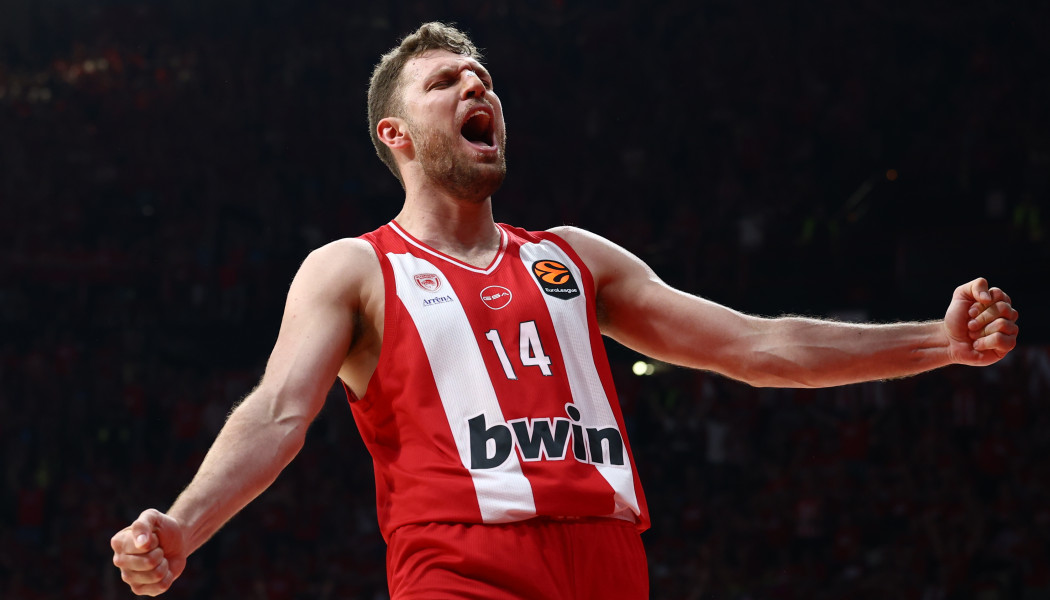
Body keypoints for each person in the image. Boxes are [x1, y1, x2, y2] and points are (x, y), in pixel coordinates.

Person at [110, 22, 1020, 599]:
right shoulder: (353, 268)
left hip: (609, 560)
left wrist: (937, 342)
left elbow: (756, 345)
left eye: (484, 79)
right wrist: (185, 525)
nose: (478, 89)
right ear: (397, 135)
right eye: (446, 83)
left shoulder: (574, 257)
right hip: (459, 564)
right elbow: (278, 412)